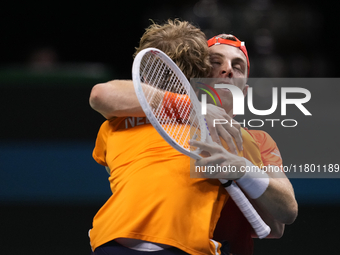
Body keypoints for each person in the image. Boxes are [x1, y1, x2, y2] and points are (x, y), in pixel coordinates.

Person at [89, 20, 297, 255]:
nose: (228, 69)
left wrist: (242, 170)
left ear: (245, 90)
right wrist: (194, 108)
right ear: (196, 75)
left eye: (238, 66)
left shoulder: (255, 139)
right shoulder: (151, 117)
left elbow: (278, 223)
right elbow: (102, 94)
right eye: (215, 62)